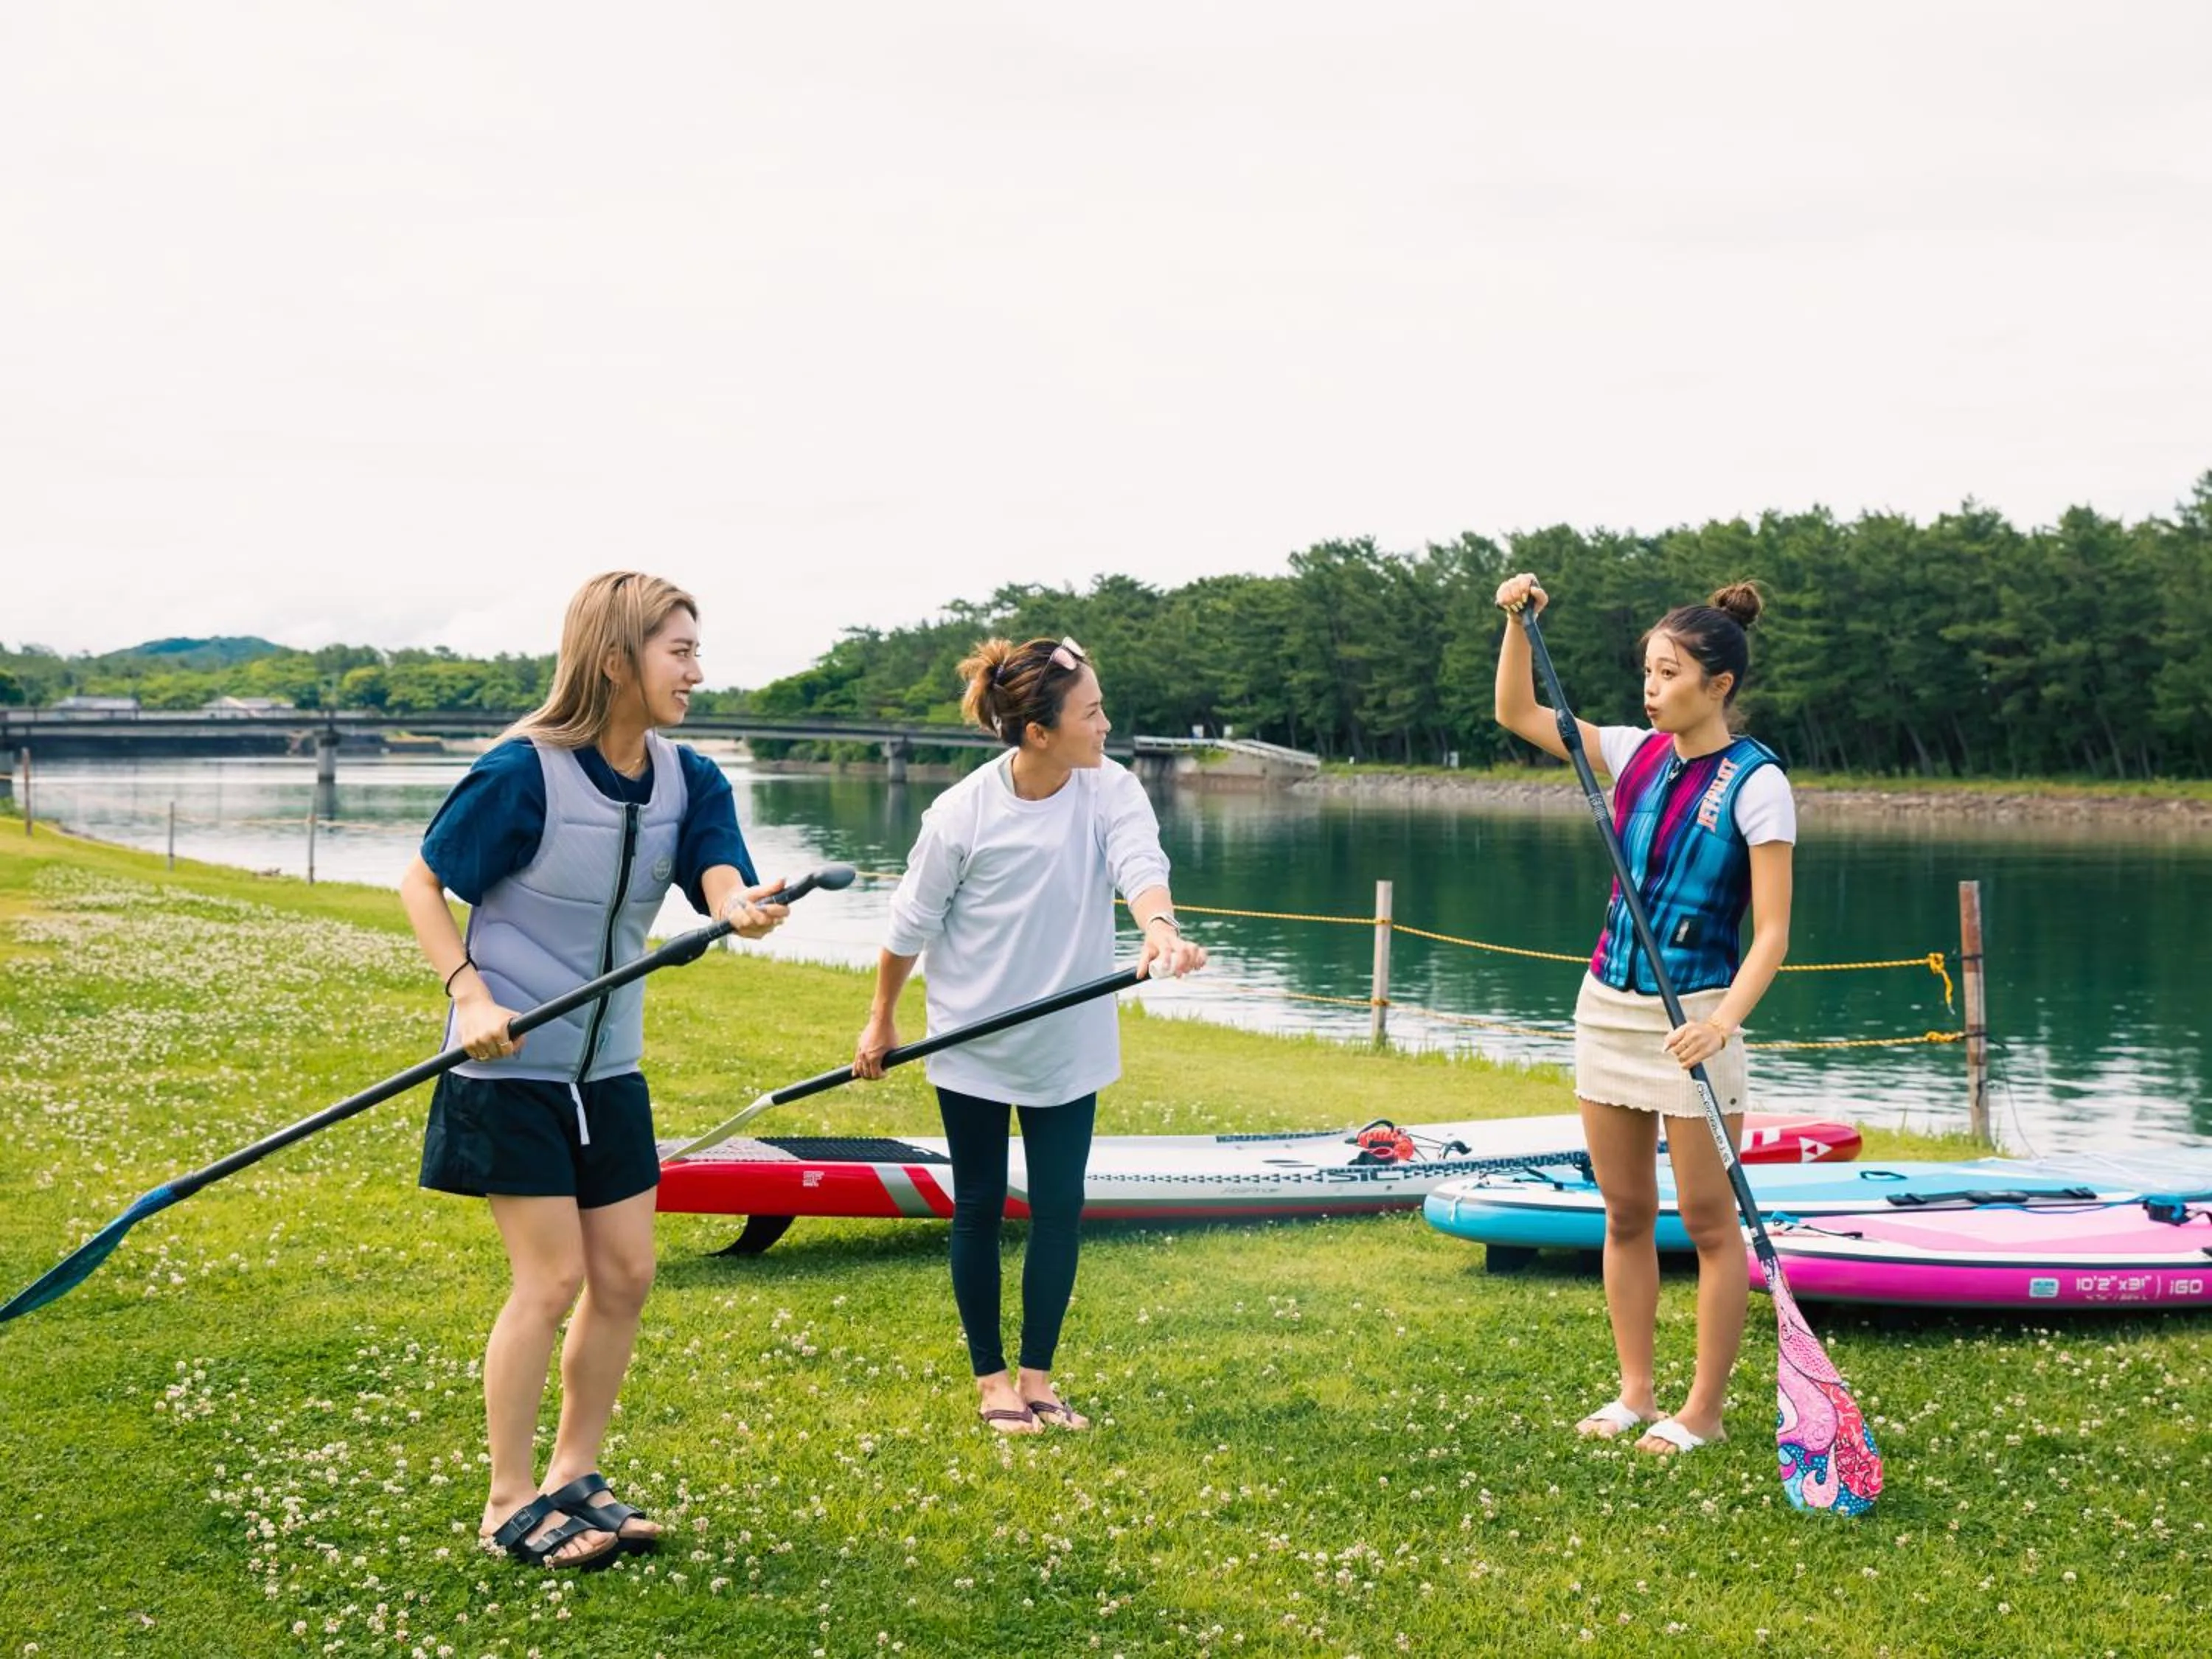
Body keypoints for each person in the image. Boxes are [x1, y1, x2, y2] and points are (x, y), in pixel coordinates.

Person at [400, 572, 788, 1568]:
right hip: (511, 1071)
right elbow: (423, 881)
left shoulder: (691, 777)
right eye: (679, 652)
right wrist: (469, 996)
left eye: (696, 650)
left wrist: (735, 905)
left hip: (609, 1069)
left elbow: (716, 869)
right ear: (617, 659)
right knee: (551, 1277)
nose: (696, 671)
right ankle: (507, 1499)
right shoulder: (522, 772)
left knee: (624, 1274)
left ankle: (575, 1473)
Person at [852, 636, 1206, 1435]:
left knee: (1058, 1208)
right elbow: (909, 926)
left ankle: (1038, 1381)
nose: (1107, 725)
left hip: (1068, 1040)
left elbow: (1140, 865)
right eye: (1092, 713)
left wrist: (1159, 929)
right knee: (978, 1205)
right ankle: (992, 1385)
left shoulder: (1111, 788)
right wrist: (881, 1018)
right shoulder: (962, 814)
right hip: (972, 1040)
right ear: (1039, 733)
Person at [1492, 574, 1793, 1456]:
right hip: (1608, 1008)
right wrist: (1516, 624)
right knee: (1624, 1211)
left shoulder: (1758, 783)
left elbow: (1773, 934)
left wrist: (1722, 1022)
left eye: (1668, 674)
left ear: (1718, 684)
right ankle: (1635, 1393)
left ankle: (1704, 1410)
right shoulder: (1631, 752)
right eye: (1647, 672)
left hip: (1696, 1016)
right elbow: (1516, 711)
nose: (1651, 689)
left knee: (1707, 1222)